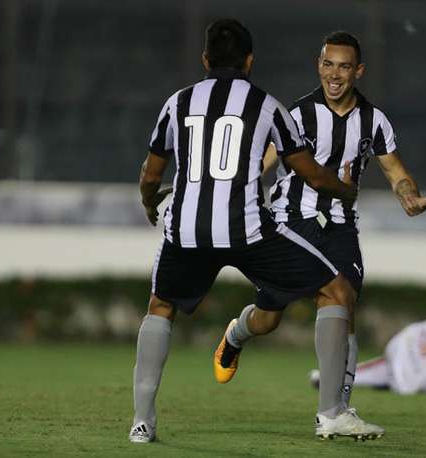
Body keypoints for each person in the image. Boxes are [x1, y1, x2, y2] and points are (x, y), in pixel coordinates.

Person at [130, 18, 362, 443]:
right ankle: (331, 413)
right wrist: (346, 190)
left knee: (161, 307)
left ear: (204, 60)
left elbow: (151, 173)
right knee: (336, 291)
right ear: (250, 62)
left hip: (187, 233)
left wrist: (149, 203)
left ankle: (142, 423)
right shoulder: (268, 106)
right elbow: (310, 173)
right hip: (249, 232)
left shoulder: (176, 103)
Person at [214, 31, 426, 439]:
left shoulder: (374, 121)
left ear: (358, 71)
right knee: (267, 319)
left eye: (344, 66)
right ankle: (237, 332)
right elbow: (259, 163)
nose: (334, 75)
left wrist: (409, 196)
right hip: (289, 223)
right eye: (328, 65)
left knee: (344, 301)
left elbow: (396, 172)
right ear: (319, 66)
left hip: (339, 227)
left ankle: (336, 410)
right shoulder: (295, 115)